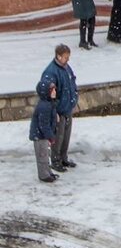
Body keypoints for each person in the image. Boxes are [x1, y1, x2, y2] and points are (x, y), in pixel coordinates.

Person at [40, 44, 76, 173]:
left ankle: (63, 157)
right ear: (58, 56)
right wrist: (55, 107)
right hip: (59, 110)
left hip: (67, 108)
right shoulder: (51, 72)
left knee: (66, 136)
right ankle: (55, 160)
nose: (68, 60)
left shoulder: (66, 68)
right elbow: (47, 92)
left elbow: (72, 82)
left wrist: (74, 97)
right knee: (58, 137)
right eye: (66, 57)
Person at [30, 74, 58, 183]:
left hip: (43, 135)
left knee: (46, 155)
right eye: (52, 90)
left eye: (54, 90)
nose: (55, 92)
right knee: (42, 156)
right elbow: (44, 124)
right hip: (40, 136)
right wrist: (50, 136)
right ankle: (43, 175)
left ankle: (48, 172)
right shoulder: (44, 106)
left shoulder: (49, 103)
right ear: (45, 92)